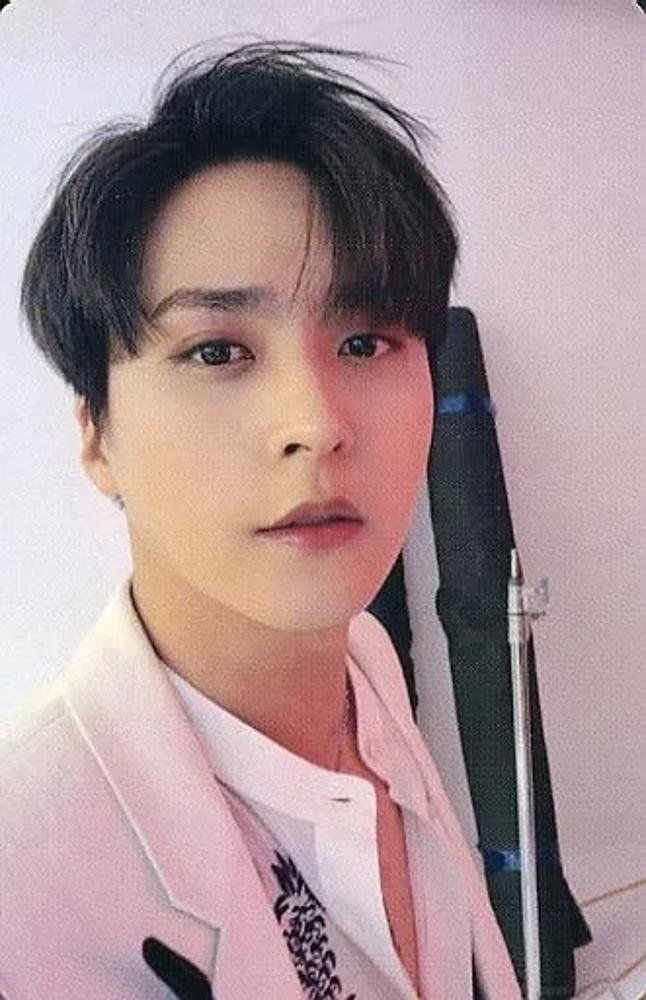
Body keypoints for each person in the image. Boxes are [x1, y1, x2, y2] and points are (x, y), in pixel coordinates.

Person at [0, 39, 521, 999]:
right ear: (98, 435)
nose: (317, 423)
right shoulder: (24, 874)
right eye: (217, 352)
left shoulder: (363, 660)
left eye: (365, 341)